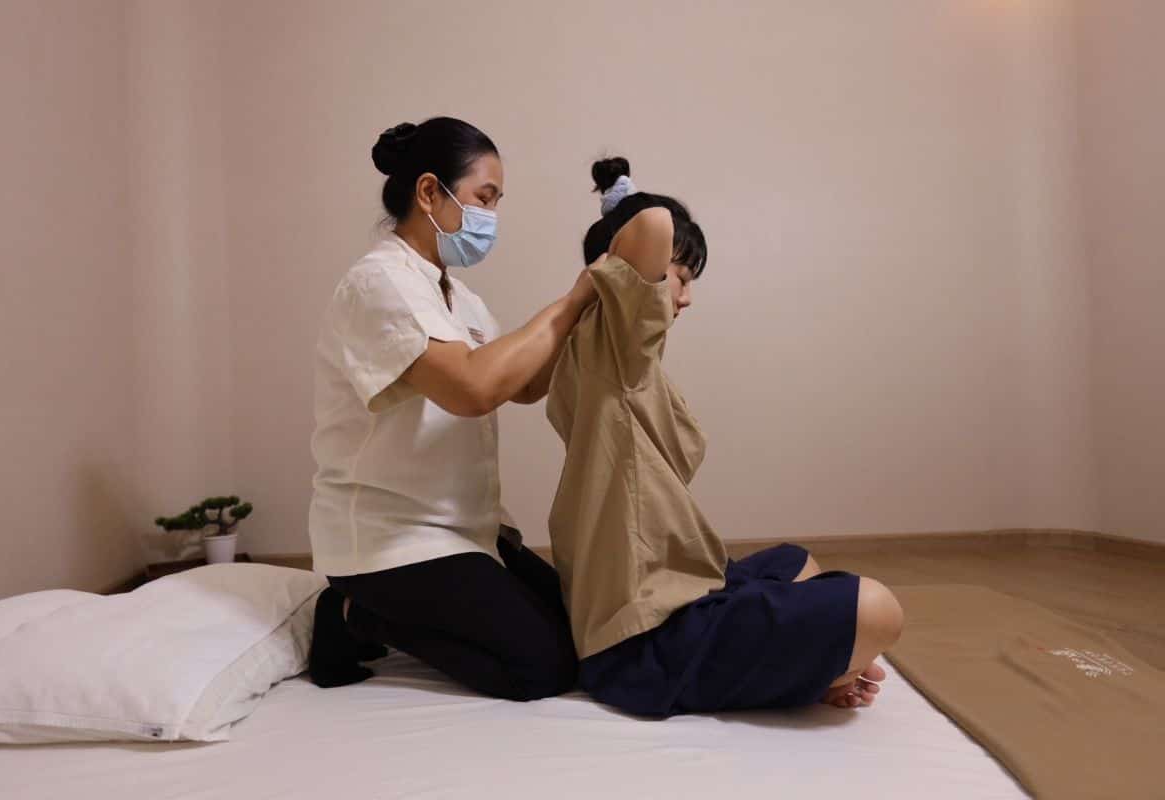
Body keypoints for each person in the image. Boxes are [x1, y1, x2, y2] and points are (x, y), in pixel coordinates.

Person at [545, 157, 904, 717]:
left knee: (795, 562)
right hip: (643, 646)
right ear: (627, 276)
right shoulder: (613, 340)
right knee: (879, 609)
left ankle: (824, 667)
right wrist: (622, 203)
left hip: (682, 589)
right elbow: (655, 224)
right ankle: (825, 669)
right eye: (681, 278)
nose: (686, 298)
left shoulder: (612, 355)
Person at [306, 117, 601, 700]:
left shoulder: (457, 296)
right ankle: (355, 612)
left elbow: (522, 385)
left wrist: (589, 316)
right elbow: (472, 390)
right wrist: (570, 303)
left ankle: (393, 607)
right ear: (428, 191)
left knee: (584, 627)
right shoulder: (379, 284)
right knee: (544, 669)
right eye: (484, 198)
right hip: (392, 539)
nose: (492, 217)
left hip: (466, 530)